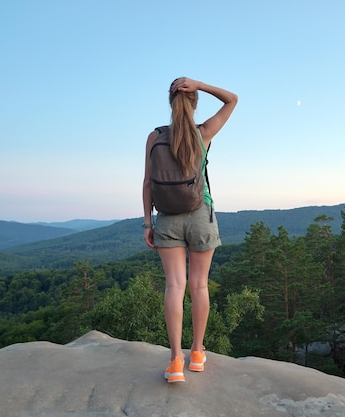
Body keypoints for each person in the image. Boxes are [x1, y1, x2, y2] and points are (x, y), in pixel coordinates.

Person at [142, 77, 237, 383]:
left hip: (167, 217)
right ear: (194, 103)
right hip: (201, 214)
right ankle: (196, 353)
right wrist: (200, 84)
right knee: (199, 286)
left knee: (174, 287)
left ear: (170, 103)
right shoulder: (203, 133)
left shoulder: (155, 136)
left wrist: (148, 222)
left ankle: (174, 362)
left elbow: (147, 183)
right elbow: (232, 99)